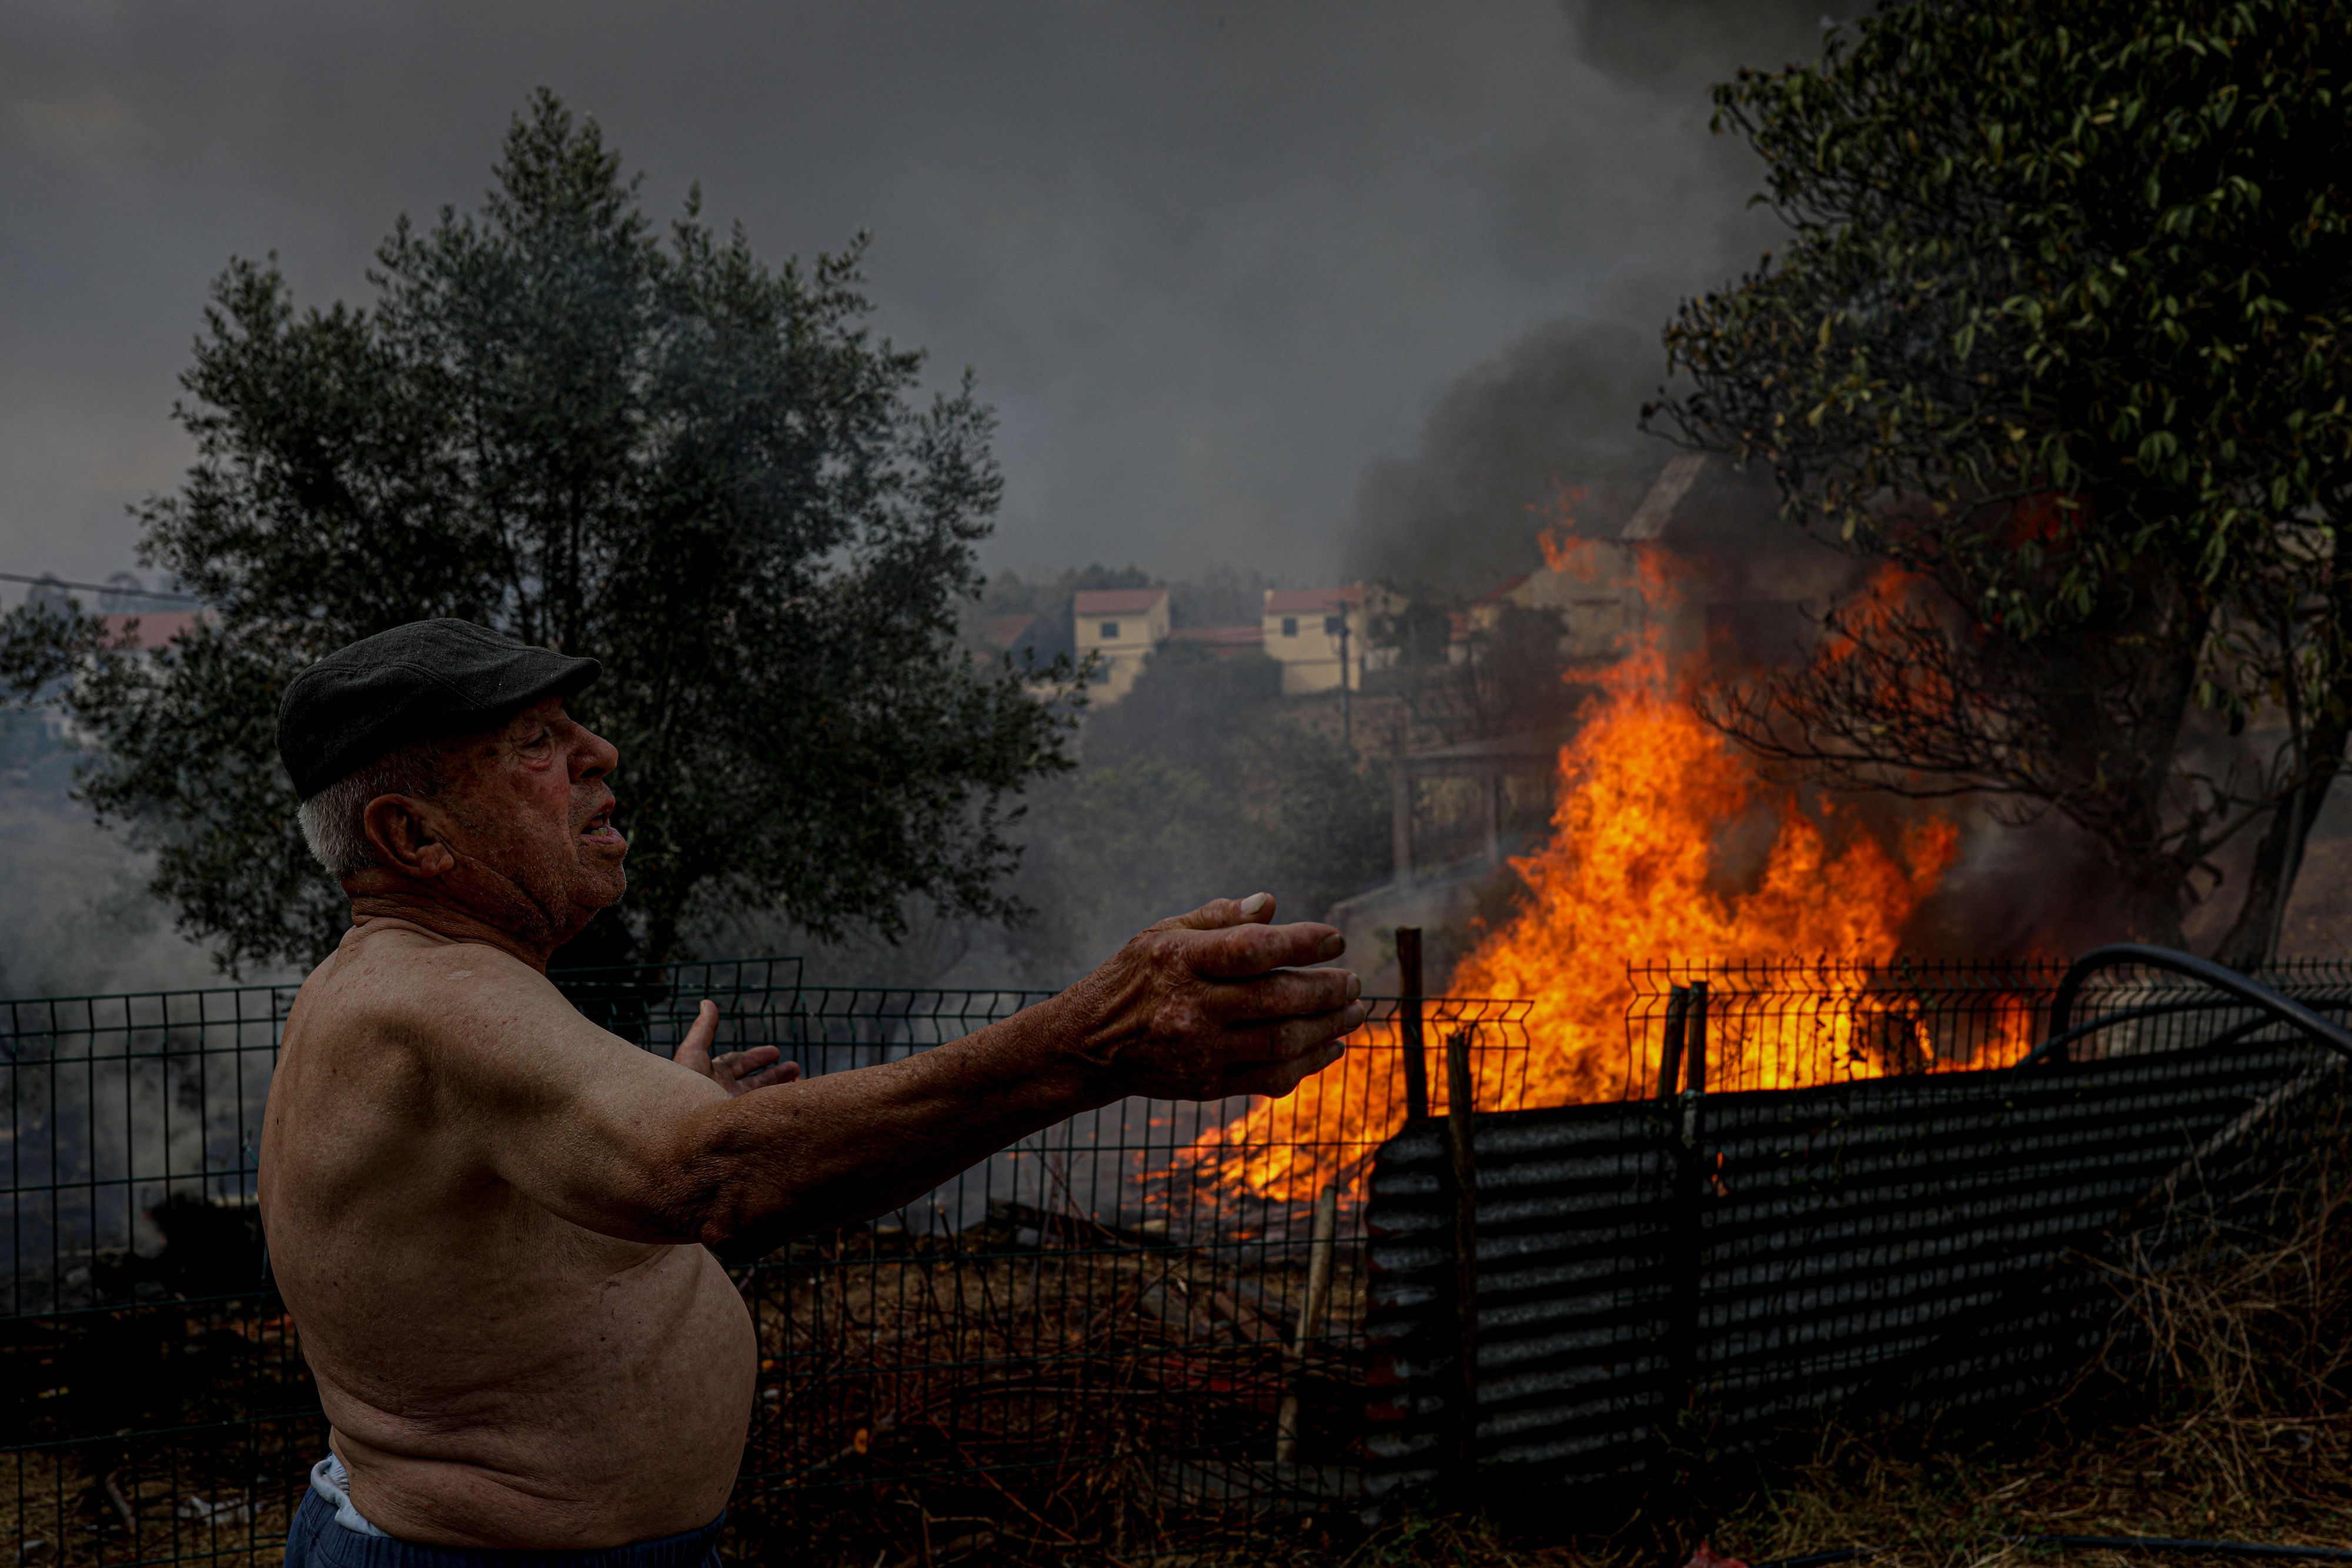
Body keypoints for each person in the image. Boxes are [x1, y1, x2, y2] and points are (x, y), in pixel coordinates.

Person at [260, 619, 1366, 1567]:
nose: (601, 752)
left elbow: (544, 1243)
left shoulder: (426, 992)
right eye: (538, 744)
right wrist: (1092, 1042)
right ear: (412, 836)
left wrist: (665, 1125)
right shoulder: (435, 1000)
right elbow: (719, 1175)